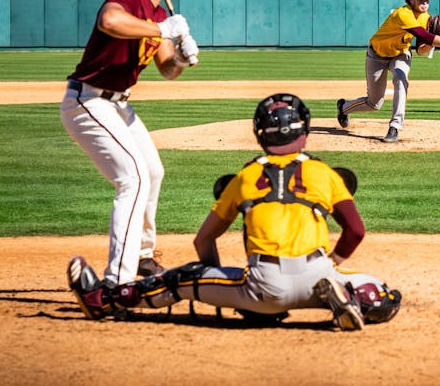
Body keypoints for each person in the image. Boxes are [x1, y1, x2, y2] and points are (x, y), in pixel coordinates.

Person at [66, 93, 402, 331]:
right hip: (318, 277)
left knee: (181, 279)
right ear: (305, 129)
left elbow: (204, 240)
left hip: (263, 286)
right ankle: (356, 298)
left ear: (259, 133)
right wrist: (333, 263)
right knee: (383, 292)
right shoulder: (323, 173)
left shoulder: (245, 177)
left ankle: (106, 299)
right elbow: (356, 230)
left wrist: (214, 275)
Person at [61, 0, 200, 288]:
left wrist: (181, 56)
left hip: (118, 104)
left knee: (152, 172)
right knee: (132, 178)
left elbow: (167, 68)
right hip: (87, 101)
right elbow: (110, 21)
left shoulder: (158, 14)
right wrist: (162, 30)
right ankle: (116, 283)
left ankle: (141, 256)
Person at [336, 0, 440, 143]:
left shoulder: (425, 17)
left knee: (401, 80)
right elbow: (424, 35)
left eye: (427, 0)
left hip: (401, 53)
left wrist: (432, 43)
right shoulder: (403, 14)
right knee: (374, 103)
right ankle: (343, 107)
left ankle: (395, 127)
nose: (425, 3)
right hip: (377, 55)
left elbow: (421, 50)